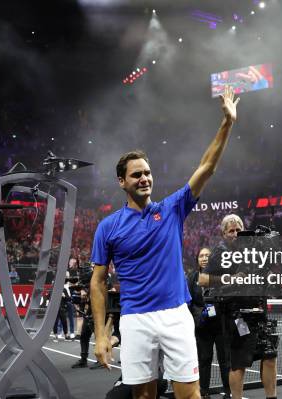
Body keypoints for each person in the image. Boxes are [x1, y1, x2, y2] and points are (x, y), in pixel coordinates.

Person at [90, 86, 240, 399]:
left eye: (147, 173)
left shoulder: (172, 208)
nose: (144, 179)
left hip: (175, 315)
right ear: (122, 181)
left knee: (190, 394)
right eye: (135, 175)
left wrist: (227, 124)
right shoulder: (108, 227)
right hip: (135, 319)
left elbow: (206, 167)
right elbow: (98, 283)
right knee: (144, 396)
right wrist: (100, 333)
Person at [199, 214, 278, 399]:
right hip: (236, 315)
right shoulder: (220, 251)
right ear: (224, 233)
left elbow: (273, 261)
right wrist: (231, 278)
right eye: (231, 230)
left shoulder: (254, 248)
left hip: (258, 309)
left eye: (239, 230)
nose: (236, 233)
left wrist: (268, 242)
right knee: (238, 363)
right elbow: (203, 280)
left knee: (269, 355)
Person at [187, 247, 231, 398]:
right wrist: (199, 317)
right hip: (202, 326)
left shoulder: (221, 275)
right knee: (204, 360)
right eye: (201, 256)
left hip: (221, 325)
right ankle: (203, 392)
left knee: (225, 360)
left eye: (207, 255)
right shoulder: (192, 277)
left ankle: (229, 391)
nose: (204, 258)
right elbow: (190, 302)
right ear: (197, 259)